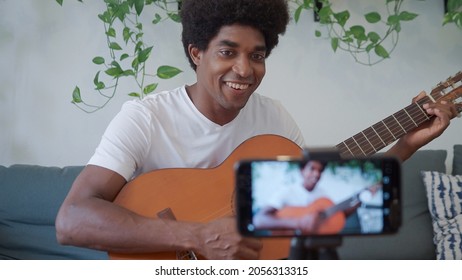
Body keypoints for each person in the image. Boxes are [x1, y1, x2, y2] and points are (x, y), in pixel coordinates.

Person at [55, 0, 457, 260]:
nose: (245, 70)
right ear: (197, 53)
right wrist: (195, 236)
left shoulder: (274, 120)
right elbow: (72, 220)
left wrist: (404, 146)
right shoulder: (145, 117)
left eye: (257, 56)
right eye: (228, 52)